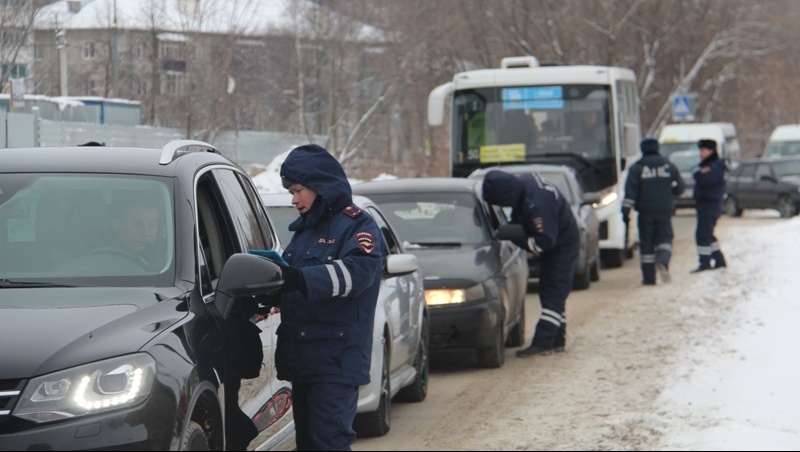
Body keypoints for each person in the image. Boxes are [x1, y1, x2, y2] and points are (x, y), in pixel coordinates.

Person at [275, 144, 384, 451]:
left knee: (330, 444)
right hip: (304, 362)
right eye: (291, 193)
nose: (294, 200)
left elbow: (358, 273)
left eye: (299, 191)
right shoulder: (305, 231)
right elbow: (295, 286)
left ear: (320, 187)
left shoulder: (357, 225)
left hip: (336, 363)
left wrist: (299, 279)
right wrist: (271, 291)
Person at [481, 169, 579, 357]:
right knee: (549, 291)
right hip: (557, 239)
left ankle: (544, 342)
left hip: (562, 244)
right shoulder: (524, 186)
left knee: (554, 292)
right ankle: (557, 339)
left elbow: (543, 242)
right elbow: (521, 212)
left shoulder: (537, 205)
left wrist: (517, 238)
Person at [621, 137, 686, 285]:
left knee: (646, 244)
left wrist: (625, 211)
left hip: (645, 213)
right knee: (665, 239)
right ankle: (662, 260)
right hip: (664, 211)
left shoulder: (637, 168)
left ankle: (649, 278)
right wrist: (670, 193)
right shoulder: (668, 166)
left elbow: (630, 193)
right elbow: (681, 188)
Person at [691, 138, 727, 272]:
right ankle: (719, 259)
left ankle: (705, 263)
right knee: (708, 234)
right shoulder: (707, 165)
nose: (700, 153)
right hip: (705, 204)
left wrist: (699, 173)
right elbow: (697, 174)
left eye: (703, 150)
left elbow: (704, 178)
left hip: (710, 204)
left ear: (711, 151)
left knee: (703, 234)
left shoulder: (715, 165)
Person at [109, 190, 161, 268]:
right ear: (116, 225)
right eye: (137, 224)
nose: (145, 233)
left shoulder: (167, 261)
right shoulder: (102, 262)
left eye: (152, 225)